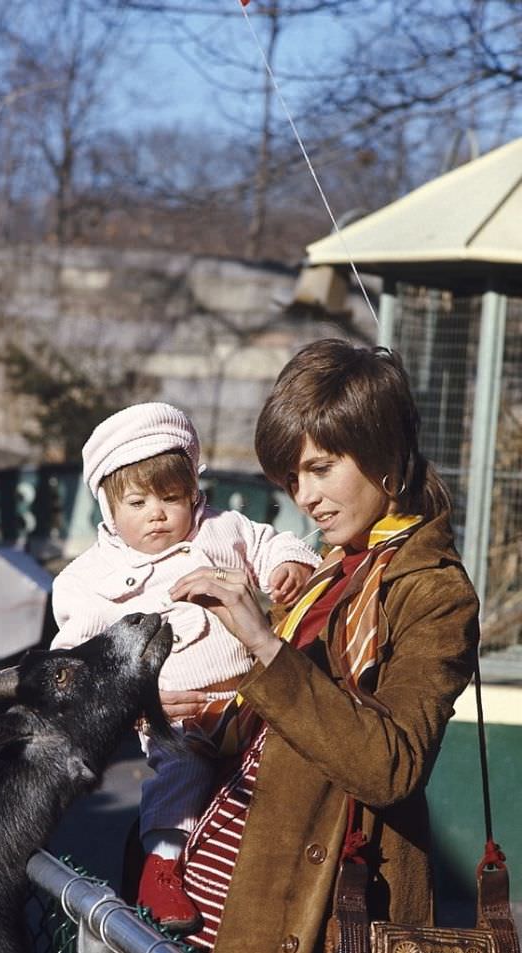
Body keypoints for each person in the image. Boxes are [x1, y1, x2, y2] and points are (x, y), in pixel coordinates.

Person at [167, 340, 480, 952]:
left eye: (320, 467)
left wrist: (262, 638)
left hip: (314, 910)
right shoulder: (329, 571)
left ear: (384, 451)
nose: (303, 496)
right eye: (291, 476)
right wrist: (201, 710)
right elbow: (283, 724)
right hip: (223, 888)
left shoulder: (433, 590)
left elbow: (391, 766)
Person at [50, 401, 320, 933]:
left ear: (193, 493)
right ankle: (163, 866)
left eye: (172, 498)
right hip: (179, 718)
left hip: (252, 699)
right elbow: (72, 671)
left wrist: (290, 563)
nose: (158, 513)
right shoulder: (88, 580)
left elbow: (274, 541)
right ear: (107, 507)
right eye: (138, 501)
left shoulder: (222, 530)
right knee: (176, 777)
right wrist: (130, 707)